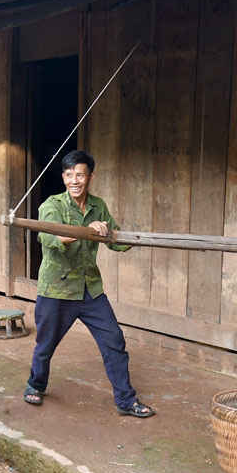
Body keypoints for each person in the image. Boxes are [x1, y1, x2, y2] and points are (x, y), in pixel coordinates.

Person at [24, 150, 154, 418]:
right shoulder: (53, 204)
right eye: (69, 175)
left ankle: (126, 401)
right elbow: (50, 238)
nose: (74, 180)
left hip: (90, 290)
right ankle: (36, 384)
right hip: (57, 290)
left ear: (90, 176)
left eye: (80, 175)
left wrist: (137, 238)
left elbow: (114, 240)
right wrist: (88, 232)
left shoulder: (98, 206)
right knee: (46, 343)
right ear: (63, 177)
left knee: (114, 341)